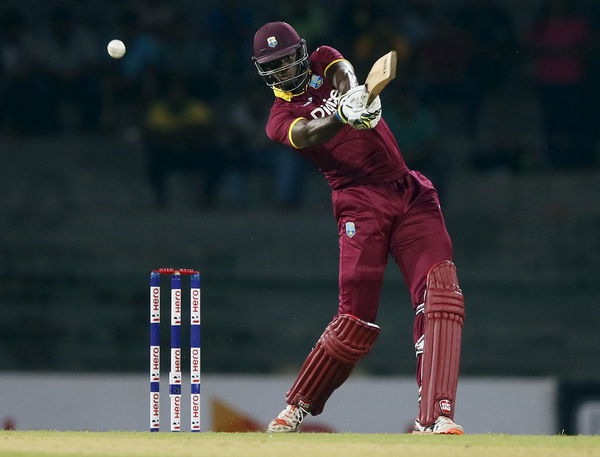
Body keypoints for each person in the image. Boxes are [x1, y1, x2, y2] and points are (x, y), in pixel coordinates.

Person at [252, 22, 465, 435]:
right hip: (358, 204)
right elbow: (311, 132)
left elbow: (343, 71)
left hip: (410, 193)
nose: (283, 71)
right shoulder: (279, 118)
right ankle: (297, 406)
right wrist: (341, 115)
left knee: (442, 295)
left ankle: (437, 416)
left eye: (287, 60)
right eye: (273, 66)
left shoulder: (322, 58)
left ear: (302, 51)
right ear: (263, 72)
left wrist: (353, 94)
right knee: (355, 321)